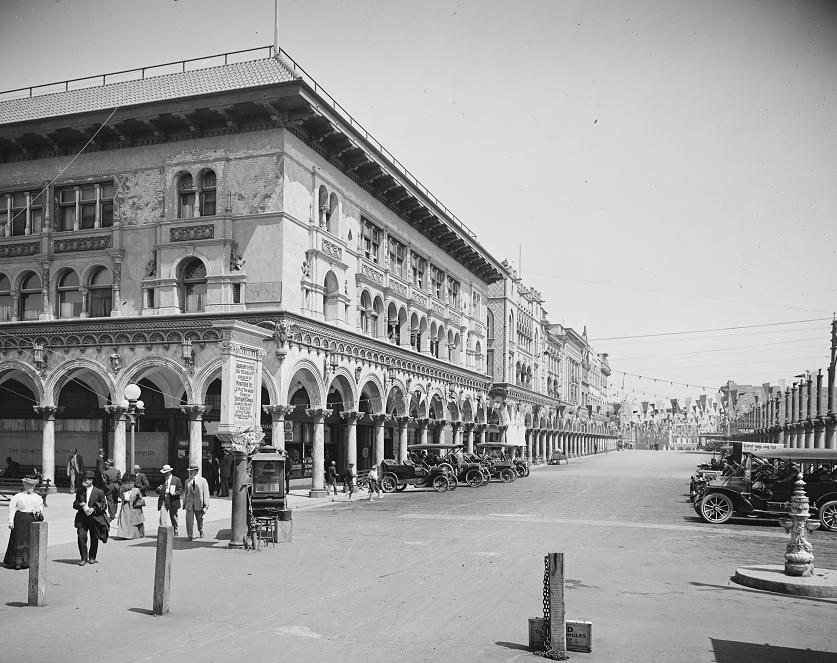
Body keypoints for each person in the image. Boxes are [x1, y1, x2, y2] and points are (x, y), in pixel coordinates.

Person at [4, 477, 44, 570]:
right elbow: (12, 508)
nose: (30, 486)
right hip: (20, 519)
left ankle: (28, 561)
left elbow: (40, 506)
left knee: (30, 539)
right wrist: (11, 521)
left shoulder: (37, 497)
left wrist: (38, 510)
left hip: (31, 519)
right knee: (19, 539)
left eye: (32, 485)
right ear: (24, 485)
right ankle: (17, 562)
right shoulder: (18, 496)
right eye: (28, 484)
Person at [73, 470, 109, 566]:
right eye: (84, 479)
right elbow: (75, 504)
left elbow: (104, 505)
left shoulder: (99, 492)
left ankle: (92, 557)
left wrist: (94, 508)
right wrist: (80, 504)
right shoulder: (80, 491)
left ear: (91, 481)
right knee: (81, 537)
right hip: (82, 519)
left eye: (87, 480)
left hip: (94, 519)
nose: (85, 481)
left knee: (94, 538)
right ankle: (83, 558)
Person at [183, 465, 210, 540]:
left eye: (193, 470)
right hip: (189, 504)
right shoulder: (187, 481)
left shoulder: (203, 481)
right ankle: (190, 535)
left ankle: (200, 530)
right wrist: (184, 503)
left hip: (199, 504)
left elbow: (206, 493)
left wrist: (206, 506)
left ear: (196, 471)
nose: (191, 472)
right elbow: (185, 493)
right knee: (189, 521)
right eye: (190, 471)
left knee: (199, 520)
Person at [156, 464, 183, 535]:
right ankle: (163, 531)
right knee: (162, 516)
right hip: (163, 500)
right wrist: (159, 489)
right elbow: (157, 490)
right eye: (164, 473)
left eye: (166, 473)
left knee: (173, 516)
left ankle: (175, 529)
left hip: (173, 500)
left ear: (169, 472)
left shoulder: (176, 479)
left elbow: (180, 490)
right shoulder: (162, 479)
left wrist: (175, 493)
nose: (165, 474)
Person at [116, 474, 145, 540]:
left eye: (132, 483)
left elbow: (140, 498)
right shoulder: (122, 489)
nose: (131, 484)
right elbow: (120, 497)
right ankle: (124, 534)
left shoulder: (136, 490)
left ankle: (134, 534)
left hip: (134, 507)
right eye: (129, 483)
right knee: (125, 521)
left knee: (134, 520)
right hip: (125, 506)